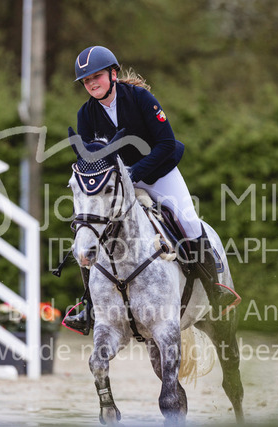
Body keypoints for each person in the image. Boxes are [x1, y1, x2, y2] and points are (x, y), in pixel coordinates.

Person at [65, 45, 236, 334]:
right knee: (89, 232)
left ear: (113, 74)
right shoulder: (86, 114)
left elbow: (166, 144)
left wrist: (135, 173)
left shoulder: (140, 98)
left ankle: (214, 291)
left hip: (158, 173)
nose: (92, 83)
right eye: (86, 80)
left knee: (189, 222)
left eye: (97, 76)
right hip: (118, 184)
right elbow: (89, 160)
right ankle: (89, 306)